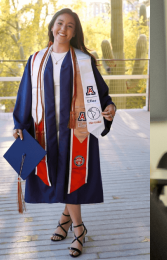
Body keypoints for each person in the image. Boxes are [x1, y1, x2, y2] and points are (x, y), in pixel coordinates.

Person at [12, 8, 116, 257]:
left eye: (70, 25)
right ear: (52, 26)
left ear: (74, 32)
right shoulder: (36, 60)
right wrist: (19, 124)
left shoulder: (83, 60)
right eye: (60, 23)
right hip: (43, 129)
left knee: (72, 178)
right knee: (58, 176)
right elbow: (25, 94)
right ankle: (66, 219)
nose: (63, 29)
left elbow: (100, 94)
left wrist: (108, 107)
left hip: (75, 130)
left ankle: (78, 228)